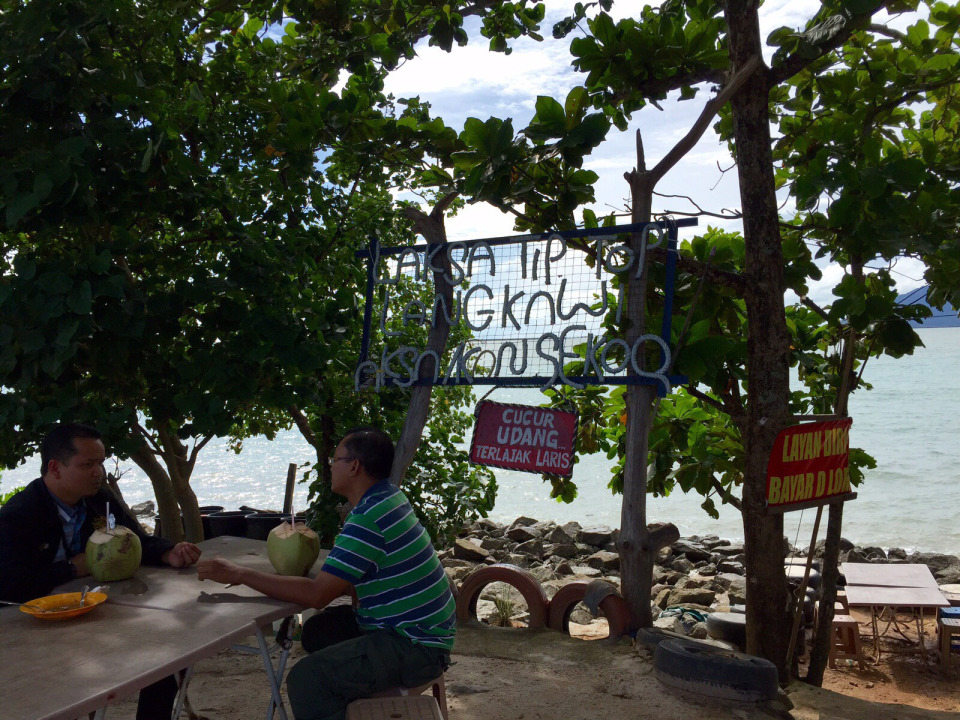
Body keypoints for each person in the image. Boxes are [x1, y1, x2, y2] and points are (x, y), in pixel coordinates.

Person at [197, 427, 454, 720]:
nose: (331, 466)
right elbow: (364, 575)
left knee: (306, 681)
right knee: (317, 632)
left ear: (354, 467)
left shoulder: (367, 518)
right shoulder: (389, 497)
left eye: (335, 460)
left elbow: (317, 595)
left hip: (416, 645)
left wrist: (239, 574)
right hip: (419, 629)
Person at [0, 422, 202, 720]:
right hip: (32, 630)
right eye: (88, 465)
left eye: (101, 462)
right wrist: (70, 568)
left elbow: (134, 540)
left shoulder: (100, 501)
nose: (99, 472)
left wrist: (167, 552)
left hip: (94, 616)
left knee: (171, 648)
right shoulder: (19, 515)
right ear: (55, 468)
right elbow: (9, 585)